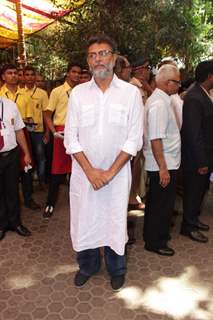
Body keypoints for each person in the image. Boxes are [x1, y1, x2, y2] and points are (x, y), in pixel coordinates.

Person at [64, 34, 143, 290]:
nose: (98, 59)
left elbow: (134, 139)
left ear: (115, 58)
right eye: (92, 55)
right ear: (88, 61)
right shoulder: (78, 94)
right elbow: (70, 137)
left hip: (116, 176)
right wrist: (90, 172)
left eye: (103, 53)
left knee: (114, 220)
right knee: (84, 219)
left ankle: (116, 268)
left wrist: (108, 173)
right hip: (84, 176)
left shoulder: (131, 94)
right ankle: (87, 266)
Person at [143, 64, 181, 256]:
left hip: (166, 162)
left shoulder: (162, 99)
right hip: (163, 164)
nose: (179, 85)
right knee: (161, 205)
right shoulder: (158, 104)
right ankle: (155, 241)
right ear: (168, 83)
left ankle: (153, 236)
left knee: (157, 202)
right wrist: (163, 168)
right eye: (177, 82)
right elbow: (155, 138)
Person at [180, 60, 213, 243]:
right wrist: (201, 161)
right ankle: (188, 226)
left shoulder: (203, 93)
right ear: (209, 76)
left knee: (200, 190)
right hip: (196, 158)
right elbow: (193, 133)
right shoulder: (194, 97)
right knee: (193, 192)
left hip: (205, 154)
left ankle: (193, 219)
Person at [43, 62, 81, 218]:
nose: (77, 75)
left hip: (78, 133)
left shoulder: (82, 91)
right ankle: (50, 203)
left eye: (79, 72)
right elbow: (47, 114)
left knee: (77, 170)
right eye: (74, 72)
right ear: (67, 73)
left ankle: (76, 203)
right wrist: (53, 132)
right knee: (57, 171)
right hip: (61, 132)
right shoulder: (57, 92)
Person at [0, 64, 40, 210]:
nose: (13, 75)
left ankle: (28, 198)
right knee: (9, 172)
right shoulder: (1, 95)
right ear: (3, 76)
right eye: (9, 73)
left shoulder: (25, 95)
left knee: (27, 166)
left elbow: (28, 119)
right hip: (5, 137)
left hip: (22, 133)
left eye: (15, 73)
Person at [0, 96, 32, 240]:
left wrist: (26, 153)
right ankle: (1, 225)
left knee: (12, 190)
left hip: (11, 155)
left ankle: (16, 223)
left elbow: (19, 131)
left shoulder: (10, 105)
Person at [23, 65, 49, 188]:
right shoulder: (19, 92)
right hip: (22, 131)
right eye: (27, 75)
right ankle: (27, 183)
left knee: (41, 157)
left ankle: (42, 180)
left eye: (32, 75)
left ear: (35, 76)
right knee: (26, 157)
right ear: (23, 77)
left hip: (38, 131)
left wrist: (47, 132)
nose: (29, 77)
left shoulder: (42, 93)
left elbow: (46, 114)